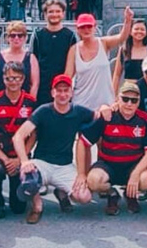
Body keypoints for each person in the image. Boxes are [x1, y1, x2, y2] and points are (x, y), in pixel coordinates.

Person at [12, 74, 96, 224]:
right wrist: (24, 161)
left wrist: (107, 108)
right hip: (42, 163)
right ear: (53, 93)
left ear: (71, 92)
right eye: (59, 91)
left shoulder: (79, 112)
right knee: (29, 180)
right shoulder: (43, 111)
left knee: (84, 197)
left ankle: (61, 191)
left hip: (65, 165)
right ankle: (37, 206)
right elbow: (18, 136)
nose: (63, 94)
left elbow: (99, 116)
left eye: (66, 90)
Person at [82, 81, 147, 215]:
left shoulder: (145, 120)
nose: (129, 104)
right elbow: (83, 141)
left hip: (133, 165)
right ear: (117, 99)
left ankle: (130, 194)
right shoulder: (108, 116)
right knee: (93, 181)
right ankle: (112, 194)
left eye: (134, 100)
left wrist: (135, 174)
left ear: (138, 102)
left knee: (145, 181)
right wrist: (82, 173)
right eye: (125, 99)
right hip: (108, 164)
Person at [0, 61, 37, 219]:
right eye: (9, 78)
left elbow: (33, 135)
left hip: (21, 155)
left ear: (24, 79)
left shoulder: (31, 102)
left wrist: (21, 159)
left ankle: (16, 195)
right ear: (3, 79)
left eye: (17, 78)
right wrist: (5, 159)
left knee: (18, 207)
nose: (13, 82)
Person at [65, 8, 133, 111]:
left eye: (89, 26)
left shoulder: (104, 43)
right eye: (82, 27)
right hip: (81, 104)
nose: (86, 30)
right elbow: (67, 76)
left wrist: (127, 21)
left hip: (105, 104)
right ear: (77, 29)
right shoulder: (74, 50)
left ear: (95, 27)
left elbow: (121, 37)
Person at [31, 0, 77, 106]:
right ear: (45, 14)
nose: (54, 14)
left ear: (63, 14)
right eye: (51, 11)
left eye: (57, 11)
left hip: (62, 88)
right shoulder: (38, 35)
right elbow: (33, 61)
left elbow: (73, 64)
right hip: (42, 87)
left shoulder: (70, 36)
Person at [0, 21, 38, 95]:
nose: (16, 38)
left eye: (20, 35)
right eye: (13, 35)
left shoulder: (31, 58)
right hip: (0, 102)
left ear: (25, 38)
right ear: (7, 38)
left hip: (23, 102)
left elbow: (35, 84)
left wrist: (30, 103)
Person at [112, 19, 147, 90]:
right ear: (130, 31)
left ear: (146, 32)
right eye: (136, 29)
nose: (139, 31)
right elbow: (117, 75)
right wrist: (113, 94)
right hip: (128, 90)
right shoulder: (124, 50)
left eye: (142, 29)